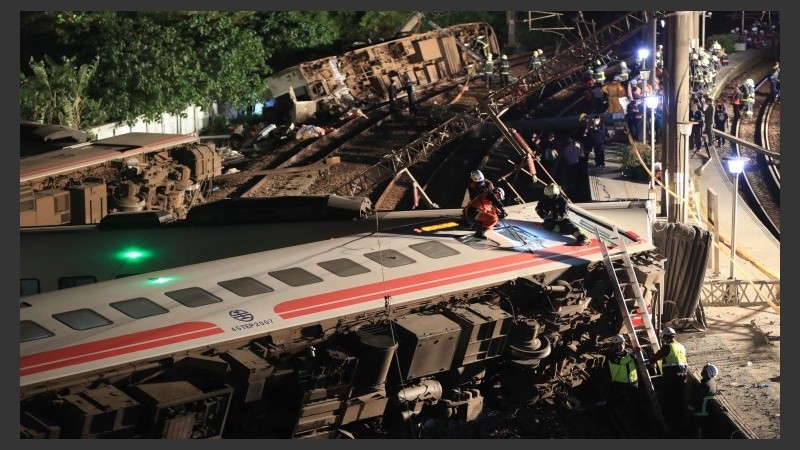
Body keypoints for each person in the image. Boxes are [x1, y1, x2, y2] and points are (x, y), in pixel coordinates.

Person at [649, 327, 688, 431]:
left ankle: (672, 423)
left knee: (670, 399)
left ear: (665, 337)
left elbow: (656, 356)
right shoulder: (681, 346)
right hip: (683, 376)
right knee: (679, 400)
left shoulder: (667, 347)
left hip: (672, 377)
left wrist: (651, 361)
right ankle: (681, 423)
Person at [605, 335, 640, 410]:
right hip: (620, 383)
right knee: (618, 404)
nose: (621, 346)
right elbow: (622, 361)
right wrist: (633, 354)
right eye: (618, 344)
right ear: (614, 345)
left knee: (637, 403)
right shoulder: (612, 355)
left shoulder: (629, 352)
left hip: (633, 382)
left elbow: (637, 361)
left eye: (622, 343)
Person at [687, 363, 719, 438]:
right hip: (706, 411)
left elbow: (696, 399)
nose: (702, 371)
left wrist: (689, 410)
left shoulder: (705, 385)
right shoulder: (713, 383)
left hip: (700, 412)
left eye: (704, 370)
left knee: (698, 429)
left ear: (708, 373)